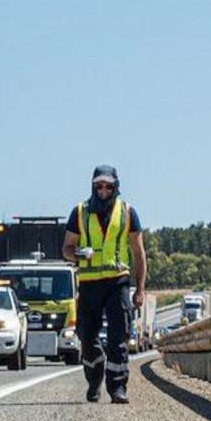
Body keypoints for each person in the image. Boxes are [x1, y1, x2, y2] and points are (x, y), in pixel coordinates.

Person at [62, 165, 147, 404]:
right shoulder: (79, 212)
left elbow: (139, 254)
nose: (103, 190)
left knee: (119, 334)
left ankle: (118, 387)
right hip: (89, 283)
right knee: (86, 337)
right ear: (92, 186)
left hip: (117, 280)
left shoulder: (128, 212)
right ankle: (94, 377)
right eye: (99, 185)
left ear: (115, 186)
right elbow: (66, 249)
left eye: (108, 186)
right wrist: (79, 254)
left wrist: (139, 290)